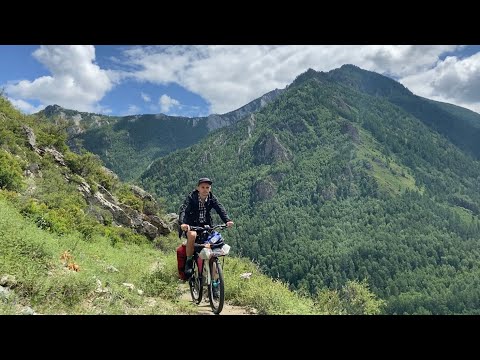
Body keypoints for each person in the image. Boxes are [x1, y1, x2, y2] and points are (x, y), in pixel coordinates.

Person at [178, 177, 234, 279]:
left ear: (210, 189)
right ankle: (189, 261)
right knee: (192, 234)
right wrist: (182, 223)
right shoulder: (192, 197)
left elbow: (219, 207)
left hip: (206, 227)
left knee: (213, 250)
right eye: (202, 187)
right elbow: (184, 209)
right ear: (198, 188)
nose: (205, 189)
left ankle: (215, 284)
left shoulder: (211, 198)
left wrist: (227, 220)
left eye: (207, 187)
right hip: (192, 225)